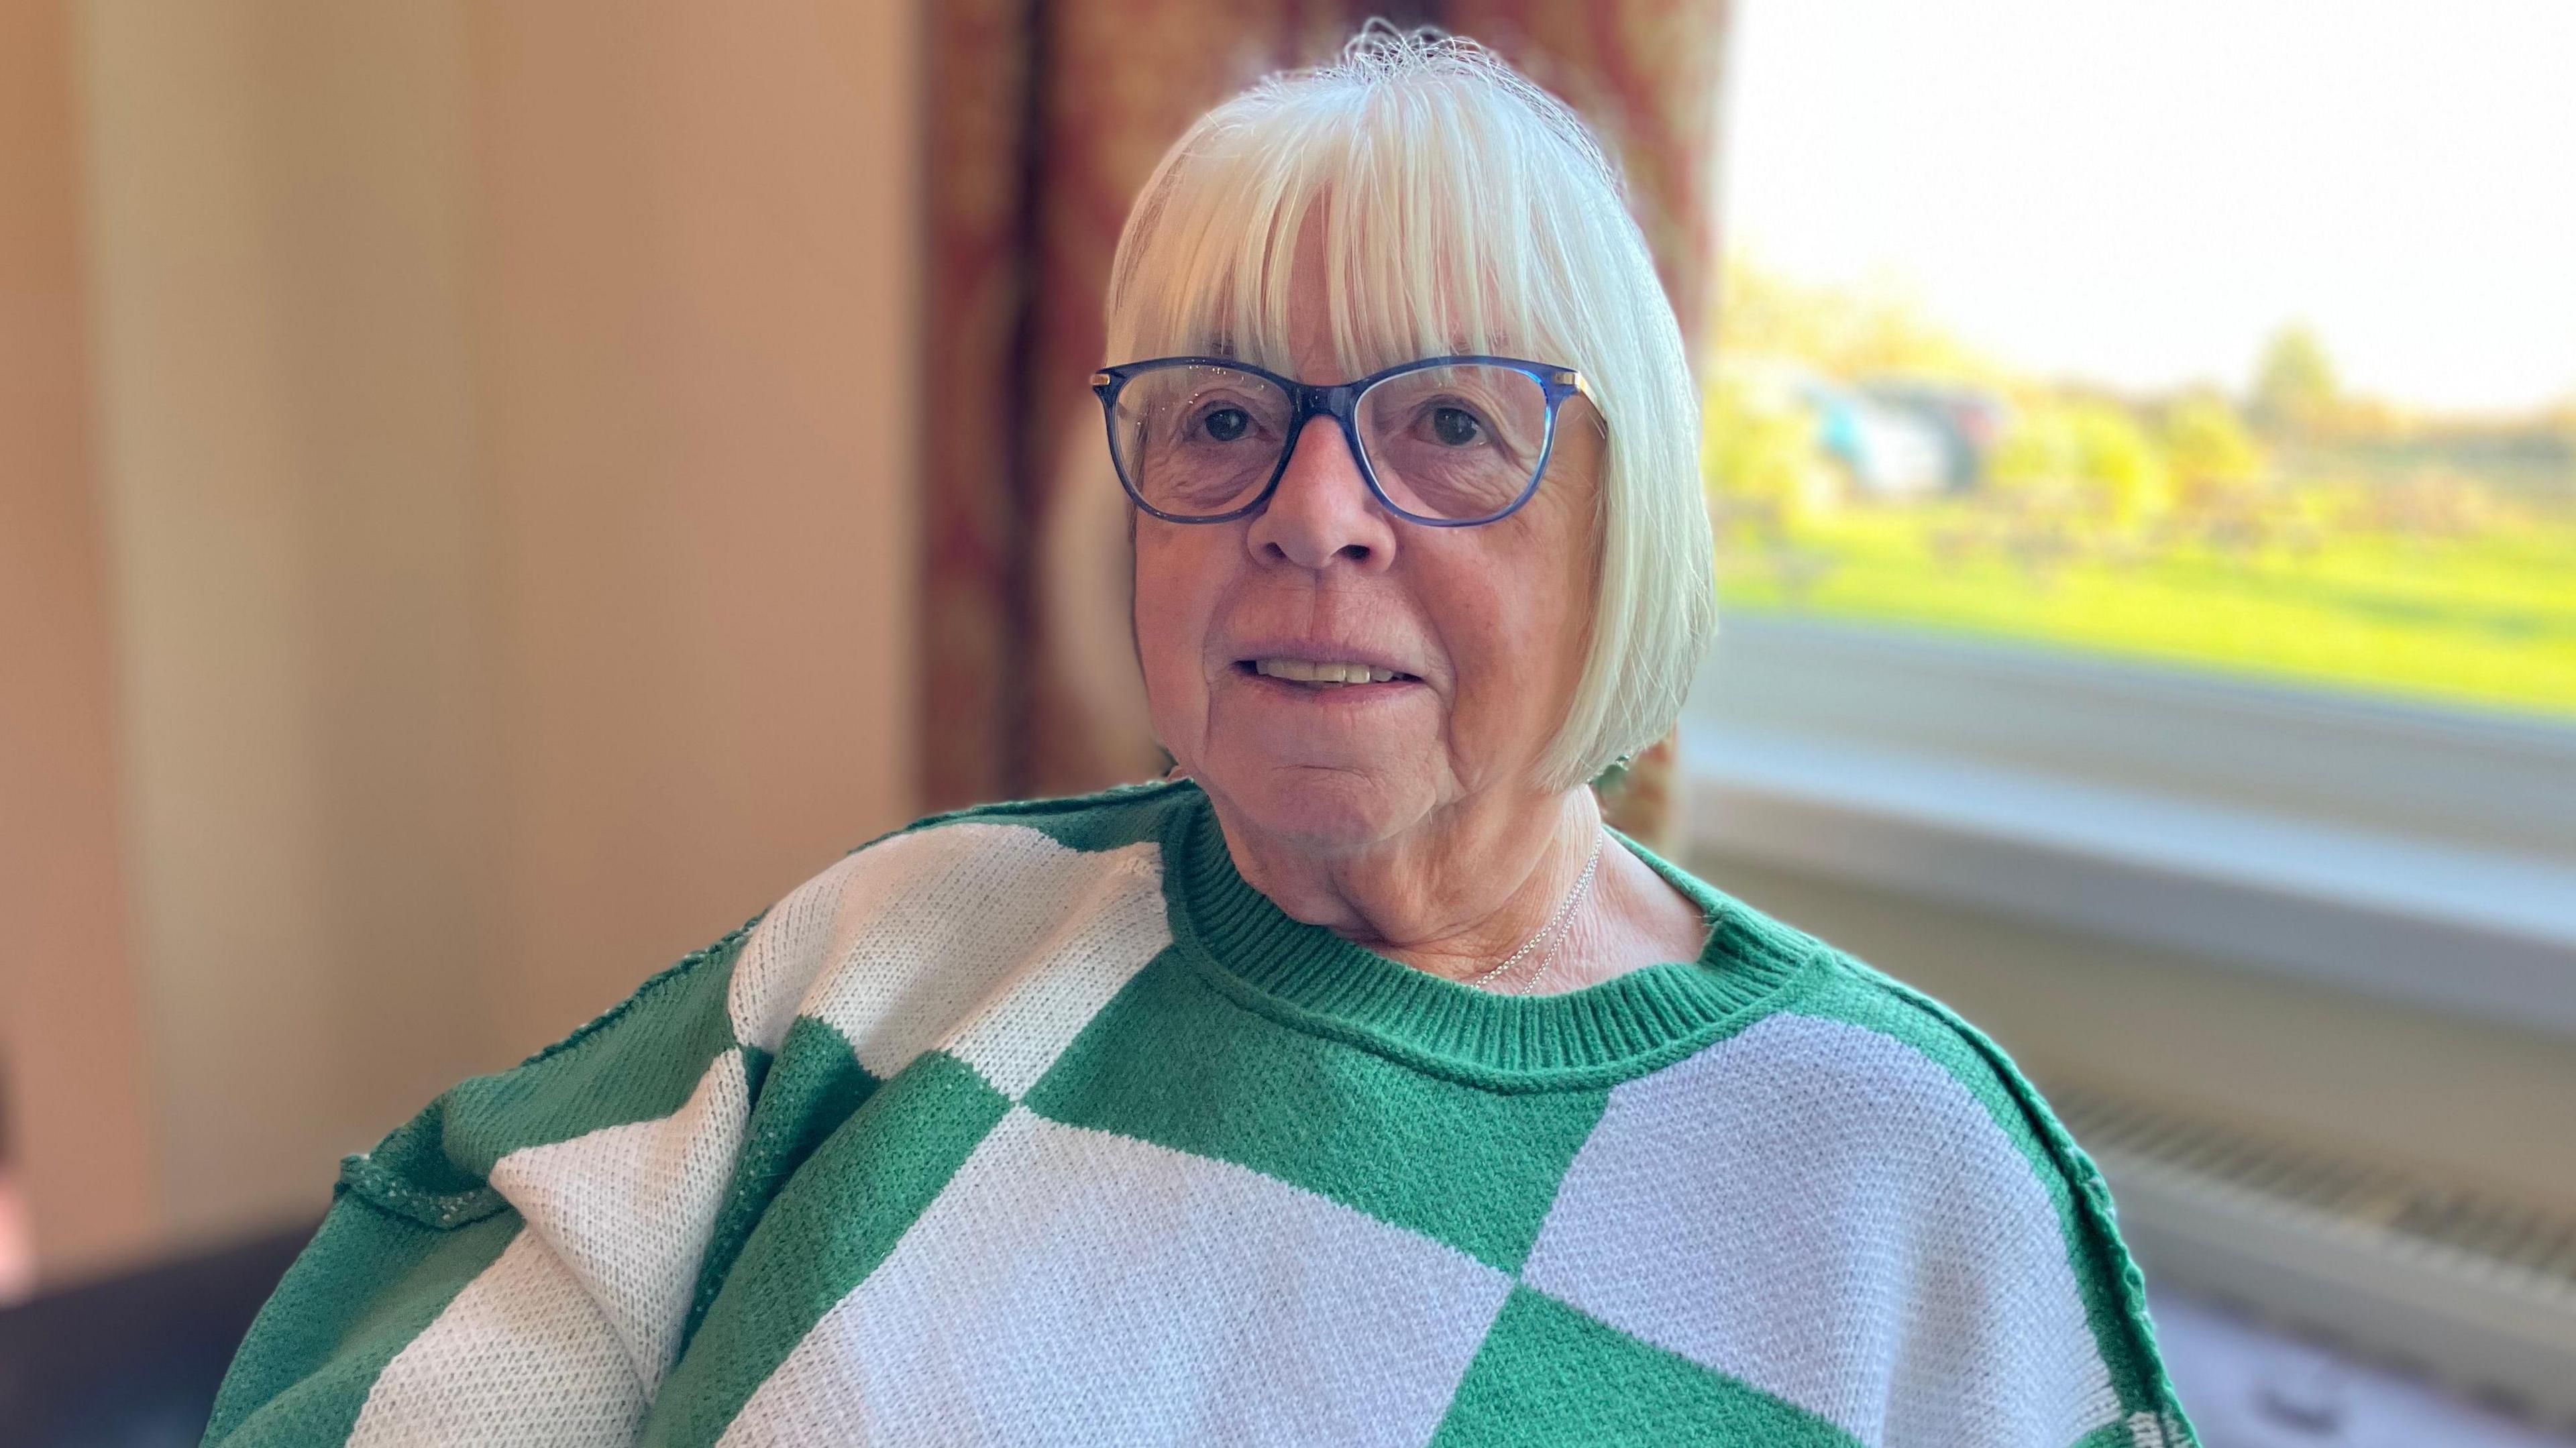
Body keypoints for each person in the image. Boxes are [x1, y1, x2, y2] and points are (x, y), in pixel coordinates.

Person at [206, 26, 2193, 1448]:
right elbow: (439, 1354)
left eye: (1450, 424)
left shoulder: (1904, 1168)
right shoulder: (902, 935)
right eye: (1225, 417)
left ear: (1628, 521)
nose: (1313, 513)